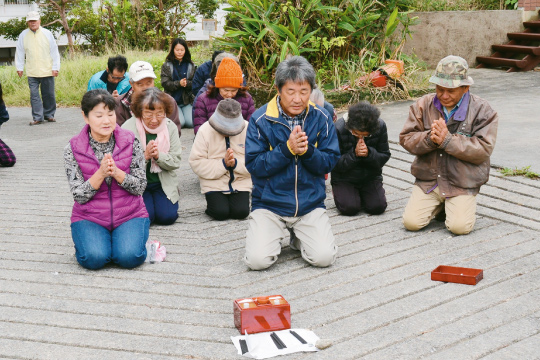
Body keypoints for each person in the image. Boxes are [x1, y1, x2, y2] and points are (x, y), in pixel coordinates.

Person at [244, 55, 340, 270]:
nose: (298, 98)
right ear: (278, 90)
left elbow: (329, 162)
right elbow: (254, 165)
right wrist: (287, 150)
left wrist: (307, 152)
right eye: (291, 91)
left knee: (324, 258)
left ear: (311, 91)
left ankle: (298, 236)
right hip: (269, 205)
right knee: (257, 262)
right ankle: (273, 232)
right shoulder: (260, 120)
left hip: (310, 204)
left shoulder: (322, 118)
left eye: (304, 91)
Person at [400, 55, 498, 235]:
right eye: (439, 89)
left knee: (459, 228)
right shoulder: (422, 105)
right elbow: (406, 138)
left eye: (451, 91)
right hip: (429, 180)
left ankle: (456, 204)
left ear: (465, 88)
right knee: (411, 223)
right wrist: (430, 138)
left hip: (461, 181)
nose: (444, 96)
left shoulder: (483, 110)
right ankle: (443, 205)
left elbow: (484, 149)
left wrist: (448, 141)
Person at [64, 89, 149, 270]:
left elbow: (140, 186)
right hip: (89, 216)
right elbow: (79, 195)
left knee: (129, 257)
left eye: (110, 114)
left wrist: (117, 173)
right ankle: (97, 243)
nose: (106, 120)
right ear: (86, 117)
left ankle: (119, 242)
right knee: (93, 259)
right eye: (99, 115)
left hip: (129, 214)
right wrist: (100, 174)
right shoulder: (72, 148)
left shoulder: (130, 140)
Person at [122, 88, 182, 225]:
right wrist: (145, 156)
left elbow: (176, 161)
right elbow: (123, 165)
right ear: (139, 112)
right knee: (146, 219)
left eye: (159, 114)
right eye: (148, 115)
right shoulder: (127, 128)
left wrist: (159, 156)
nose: (154, 120)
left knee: (167, 217)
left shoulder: (170, 127)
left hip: (162, 183)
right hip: (139, 185)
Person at [189, 99, 251, 221]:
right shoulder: (204, 130)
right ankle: (213, 204)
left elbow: (254, 160)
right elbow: (196, 162)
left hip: (240, 180)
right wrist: (223, 164)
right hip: (213, 181)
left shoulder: (247, 127)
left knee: (241, 212)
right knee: (220, 213)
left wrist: (236, 164)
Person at [331, 101, 390, 216]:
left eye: (366, 135)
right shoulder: (338, 128)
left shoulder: (380, 126)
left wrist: (369, 153)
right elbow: (334, 163)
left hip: (370, 176)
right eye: (357, 134)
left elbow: (384, 155)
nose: (361, 138)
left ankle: (362, 195)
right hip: (344, 177)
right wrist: (354, 154)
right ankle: (342, 192)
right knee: (349, 208)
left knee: (377, 207)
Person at [15, 11, 60, 126]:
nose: (33, 23)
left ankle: (49, 115)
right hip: (32, 71)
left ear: (39, 21)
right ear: (27, 23)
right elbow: (19, 52)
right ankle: (37, 117)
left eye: (34, 21)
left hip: (47, 70)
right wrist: (19, 67)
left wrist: (56, 67)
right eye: (30, 21)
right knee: (34, 95)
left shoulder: (47, 33)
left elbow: (54, 51)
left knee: (48, 94)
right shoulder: (23, 35)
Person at [115, 61, 182, 137]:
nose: (145, 88)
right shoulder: (119, 103)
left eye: (149, 83)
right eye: (140, 84)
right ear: (131, 84)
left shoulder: (168, 101)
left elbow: (175, 132)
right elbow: (119, 135)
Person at [193, 57, 255, 135]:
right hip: (212, 142)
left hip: (239, 143)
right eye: (226, 90)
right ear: (218, 86)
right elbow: (199, 130)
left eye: (234, 90)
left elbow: (251, 129)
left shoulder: (247, 99)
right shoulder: (203, 99)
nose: (229, 94)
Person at [161, 38, 196, 128]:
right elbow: (165, 83)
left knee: (191, 123)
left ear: (185, 50)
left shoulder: (191, 65)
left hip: (186, 101)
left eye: (182, 50)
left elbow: (195, 83)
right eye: (177, 50)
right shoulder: (167, 65)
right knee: (181, 123)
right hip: (173, 100)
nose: (179, 52)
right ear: (173, 50)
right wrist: (178, 83)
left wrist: (187, 83)